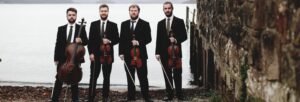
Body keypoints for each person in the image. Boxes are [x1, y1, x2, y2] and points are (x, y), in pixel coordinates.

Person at [52, 7, 88, 102]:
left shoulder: (81, 28)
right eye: (70, 15)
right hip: (62, 58)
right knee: (59, 79)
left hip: (75, 59)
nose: (71, 17)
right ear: (67, 16)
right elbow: (58, 44)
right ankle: (54, 99)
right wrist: (56, 58)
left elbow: (86, 41)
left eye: (73, 15)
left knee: (74, 81)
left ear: (76, 16)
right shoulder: (61, 29)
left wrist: (81, 40)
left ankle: (75, 100)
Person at [119, 4, 153, 102]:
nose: (133, 12)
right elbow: (121, 40)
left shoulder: (145, 24)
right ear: (129, 12)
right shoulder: (124, 24)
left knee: (143, 77)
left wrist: (139, 42)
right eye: (131, 10)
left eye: (135, 10)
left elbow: (149, 38)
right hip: (127, 55)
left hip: (140, 55)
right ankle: (131, 97)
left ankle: (146, 96)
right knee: (130, 77)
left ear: (138, 12)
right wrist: (121, 53)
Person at [86, 4, 119, 102]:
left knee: (106, 77)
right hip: (95, 55)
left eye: (105, 11)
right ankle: (91, 97)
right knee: (93, 77)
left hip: (108, 55)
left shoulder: (113, 25)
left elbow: (117, 39)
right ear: (99, 12)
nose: (103, 13)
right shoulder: (93, 24)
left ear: (108, 12)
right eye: (102, 11)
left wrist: (109, 41)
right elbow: (90, 41)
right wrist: (90, 53)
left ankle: (105, 96)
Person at [155, 1, 187, 101]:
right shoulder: (160, 23)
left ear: (172, 9)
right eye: (165, 8)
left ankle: (179, 95)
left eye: (169, 8)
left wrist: (176, 39)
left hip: (176, 53)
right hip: (164, 53)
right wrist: (157, 52)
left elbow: (185, 36)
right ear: (163, 10)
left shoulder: (179, 21)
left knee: (177, 74)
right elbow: (158, 39)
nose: (167, 10)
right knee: (167, 74)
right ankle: (169, 95)